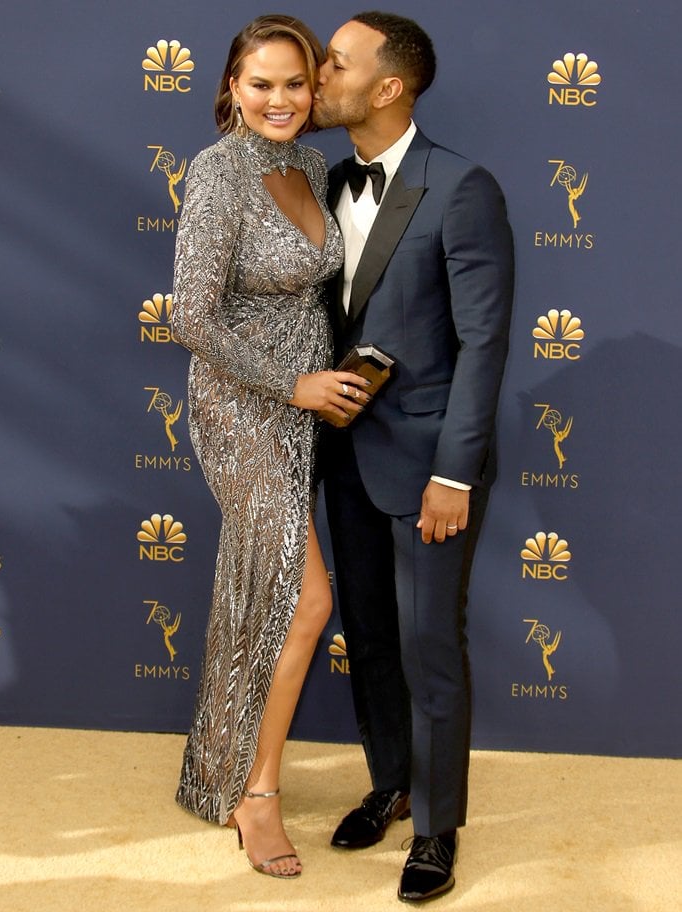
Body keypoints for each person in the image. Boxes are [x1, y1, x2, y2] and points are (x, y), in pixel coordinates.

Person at [313, 11, 514, 903]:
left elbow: (484, 346)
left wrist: (454, 473)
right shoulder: (318, 184)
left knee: (430, 644)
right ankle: (389, 781)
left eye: (335, 63)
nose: (318, 74)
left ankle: (436, 827)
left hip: (428, 464)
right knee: (370, 638)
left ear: (388, 87)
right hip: (344, 457)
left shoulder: (462, 186)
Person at [170, 14, 370, 880]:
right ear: (231, 88)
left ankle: (214, 769)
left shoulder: (312, 164)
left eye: (295, 83)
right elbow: (191, 315)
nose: (281, 100)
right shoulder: (216, 176)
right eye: (262, 84)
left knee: (262, 590)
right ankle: (256, 797)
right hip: (244, 406)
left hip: (307, 407)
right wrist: (293, 385)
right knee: (303, 602)